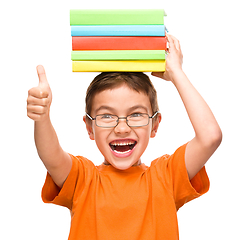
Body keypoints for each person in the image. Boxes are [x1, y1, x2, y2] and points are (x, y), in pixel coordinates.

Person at [27, 34, 222, 240]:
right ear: (90, 128)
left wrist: (176, 73)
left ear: (154, 125)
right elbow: (51, 156)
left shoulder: (166, 177)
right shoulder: (82, 179)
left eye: (136, 114)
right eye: (107, 115)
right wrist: (42, 118)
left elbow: (210, 136)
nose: (122, 128)